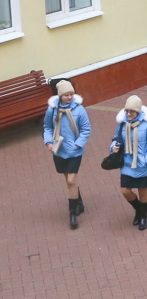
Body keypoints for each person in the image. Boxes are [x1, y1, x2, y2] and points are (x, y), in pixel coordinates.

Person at [43, 80, 91, 229]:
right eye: (66, 95)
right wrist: (49, 142)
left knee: (71, 180)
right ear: (60, 95)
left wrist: (78, 144)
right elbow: (47, 127)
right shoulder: (52, 110)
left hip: (74, 151)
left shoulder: (79, 110)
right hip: (59, 150)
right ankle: (79, 203)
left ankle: (72, 213)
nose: (69, 97)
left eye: (71, 94)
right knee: (68, 180)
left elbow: (86, 129)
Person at [111, 95, 147, 231]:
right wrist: (113, 147)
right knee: (125, 190)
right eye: (127, 111)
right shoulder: (122, 124)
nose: (129, 114)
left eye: (132, 111)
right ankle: (139, 209)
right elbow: (116, 139)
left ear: (138, 111)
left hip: (143, 164)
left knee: (142, 190)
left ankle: (143, 217)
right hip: (127, 163)